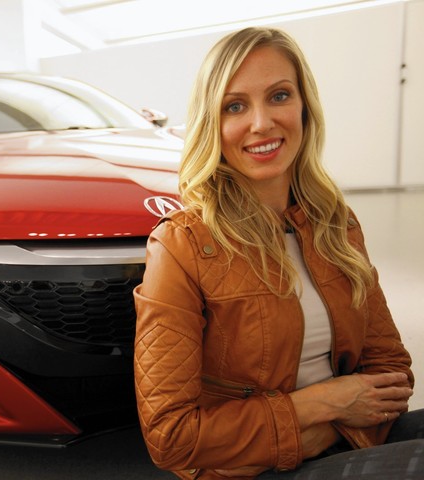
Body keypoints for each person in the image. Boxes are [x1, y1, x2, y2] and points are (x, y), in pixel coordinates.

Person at [133, 27, 422, 479]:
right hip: (251, 471)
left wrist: (327, 430)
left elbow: (392, 375)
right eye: (235, 106)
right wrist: (326, 402)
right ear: (214, 123)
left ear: (304, 107)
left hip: (341, 443)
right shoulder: (182, 245)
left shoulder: (336, 223)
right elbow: (171, 437)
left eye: (279, 96)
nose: (262, 123)